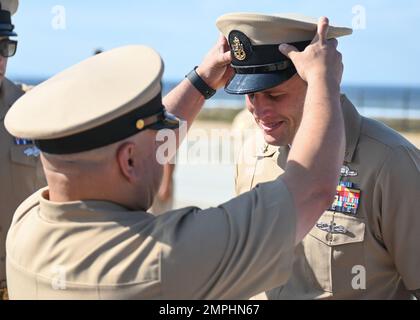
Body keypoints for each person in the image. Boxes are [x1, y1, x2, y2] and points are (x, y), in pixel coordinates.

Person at [5, 17, 345, 299]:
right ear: (129, 162)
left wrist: (202, 81)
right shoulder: (161, 259)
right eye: (158, 132)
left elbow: (131, 141)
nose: (166, 143)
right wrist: (321, 80)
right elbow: (312, 187)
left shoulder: (27, 222)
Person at [216, 12, 420, 299]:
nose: (259, 111)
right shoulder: (253, 152)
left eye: (274, 96)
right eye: (251, 96)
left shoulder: (390, 162)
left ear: (318, 81)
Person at [0, 0, 45, 300]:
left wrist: (200, 83)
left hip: (22, 287)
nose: (0, 57)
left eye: (5, 46)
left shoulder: (31, 108)